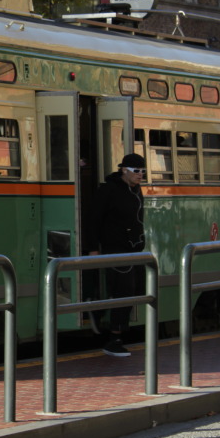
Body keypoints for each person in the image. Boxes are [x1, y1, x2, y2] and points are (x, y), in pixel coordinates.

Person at [85, 153, 146, 358]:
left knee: (136, 288)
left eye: (143, 171)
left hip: (133, 250)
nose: (140, 175)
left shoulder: (136, 190)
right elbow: (93, 219)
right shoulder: (109, 190)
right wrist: (93, 247)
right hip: (115, 248)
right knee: (124, 290)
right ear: (124, 170)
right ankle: (114, 339)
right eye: (136, 171)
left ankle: (103, 314)